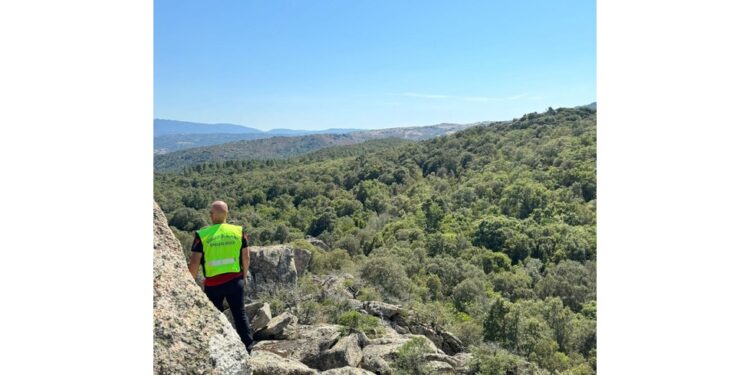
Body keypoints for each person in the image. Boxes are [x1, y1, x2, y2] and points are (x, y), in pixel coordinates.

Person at [188, 200, 254, 352]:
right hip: (235, 281)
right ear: (226, 215)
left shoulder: (202, 235)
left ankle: (216, 348)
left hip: (213, 285)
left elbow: (194, 263)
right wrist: (243, 276)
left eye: (211, 212)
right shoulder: (239, 231)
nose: (210, 214)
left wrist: (189, 285)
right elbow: (246, 257)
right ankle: (248, 347)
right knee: (240, 315)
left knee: (214, 318)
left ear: (213, 215)